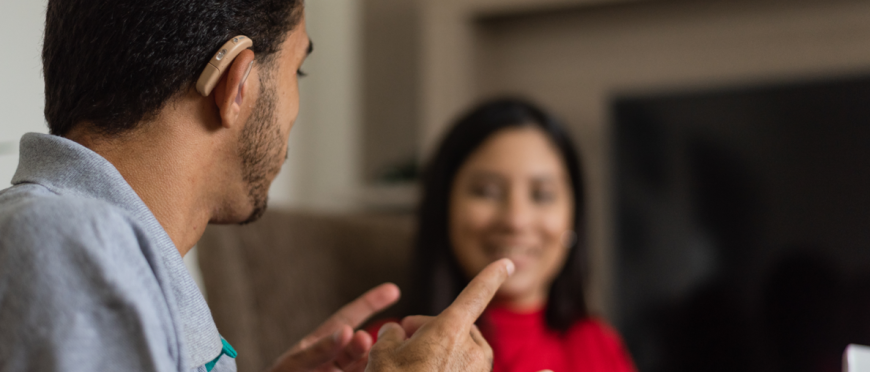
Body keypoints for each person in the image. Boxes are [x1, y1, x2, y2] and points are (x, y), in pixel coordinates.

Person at [0, 1, 514, 371]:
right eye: (299, 70)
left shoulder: (93, 245)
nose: (295, 110)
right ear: (236, 82)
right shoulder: (70, 241)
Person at [371, 99, 636, 372]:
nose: (516, 220)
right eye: (486, 191)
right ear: (443, 207)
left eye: (542, 195)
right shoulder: (382, 352)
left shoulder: (600, 345)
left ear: (573, 216)